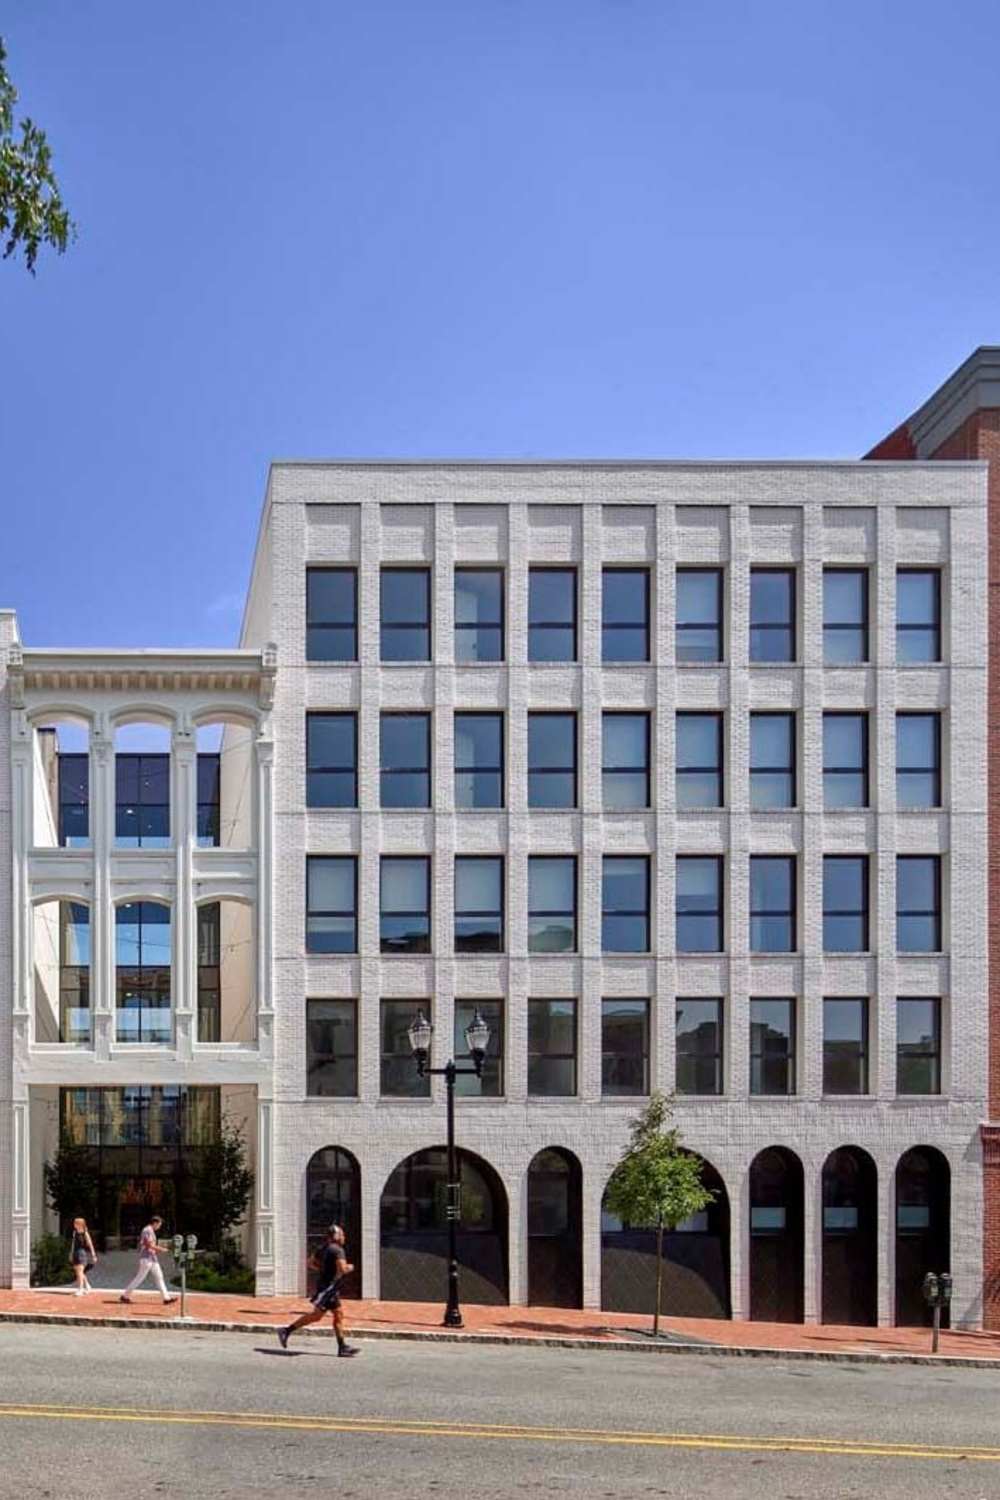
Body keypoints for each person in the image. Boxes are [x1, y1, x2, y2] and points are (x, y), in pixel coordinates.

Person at [277, 1223, 359, 1357]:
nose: (344, 1237)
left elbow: (310, 1263)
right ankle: (286, 1331)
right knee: (327, 1315)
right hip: (329, 1289)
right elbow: (343, 1269)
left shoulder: (324, 1248)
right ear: (337, 1236)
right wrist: (351, 1267)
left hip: (326, 1287)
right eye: (342, 1234)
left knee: (329, 1315)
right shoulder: (338, 1250)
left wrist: (323, 1269)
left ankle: (342, 1347)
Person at [119, 1215, 176, 1305]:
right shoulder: (147, 1230)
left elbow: (150, 1246)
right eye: (159, 1225)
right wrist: (161, 1249)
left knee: (159, 1277)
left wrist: (157, 1250)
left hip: (152, 1258)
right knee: (140, 1278)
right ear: (155, 1223)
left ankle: (166, 1298)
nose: (159, 1227)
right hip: (146, 1258)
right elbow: (149, 1245)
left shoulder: (150, 1231)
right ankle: (125, 1296)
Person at [69, 1217, 97, 1296]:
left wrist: (93, 1255)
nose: (74, 1224)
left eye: (75, 1223)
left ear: (80, 1224)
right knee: (80, 1272)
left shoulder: (85, 1233)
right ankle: (87, 1286)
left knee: (80, 1272)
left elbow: (90, 1244)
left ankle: (80, 1289)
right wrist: (71, 1253)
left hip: (82, 1253)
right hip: (75, 1253)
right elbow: (73, 1244)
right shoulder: (75, 1233)